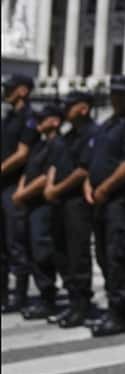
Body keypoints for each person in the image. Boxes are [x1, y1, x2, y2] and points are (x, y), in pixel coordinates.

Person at [84, 75, 125, 337]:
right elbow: (95, 160)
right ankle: (114, 306)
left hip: (119, 203)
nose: (117, 98)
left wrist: (104, 187)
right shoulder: (108, 125)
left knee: (119, 257)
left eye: (122, 94)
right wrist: (91, 184)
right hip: (101, 201)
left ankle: (118, 313)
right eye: (114, 94)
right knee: (103, 255)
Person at [43, 91, 97, 327]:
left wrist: (57, 189)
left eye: (70, 105)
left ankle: (81, 305)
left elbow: (83, 170)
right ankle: (72, 300)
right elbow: (55, 164)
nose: (65, 109)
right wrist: (49, 187)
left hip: (76, 202)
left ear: (83, 108)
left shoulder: (91, 134)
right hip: (59, 201)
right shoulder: (67, 136)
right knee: (60, 252)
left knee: (77, 254)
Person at [11, 103, 63, 319]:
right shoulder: (39, 145)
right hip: (30, 204)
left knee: (43, 252)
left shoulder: (57, 145)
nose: (38, 123)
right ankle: (42, 296)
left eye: (43, 119)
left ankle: (48, 297)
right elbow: (29, 171)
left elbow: (45, 177)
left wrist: (22, 194)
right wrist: (21, 191)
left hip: (43, 206)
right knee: (32, 250)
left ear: (55, 121)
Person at [1, 73, 39, 313]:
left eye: (10, 88)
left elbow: (23, 153)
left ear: (23, 91)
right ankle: (3, 293)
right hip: (3, 184)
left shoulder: (29, 119)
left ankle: (21, 295)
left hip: (15, 185)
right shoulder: (8, 117)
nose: (5, 91)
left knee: (16, 242)